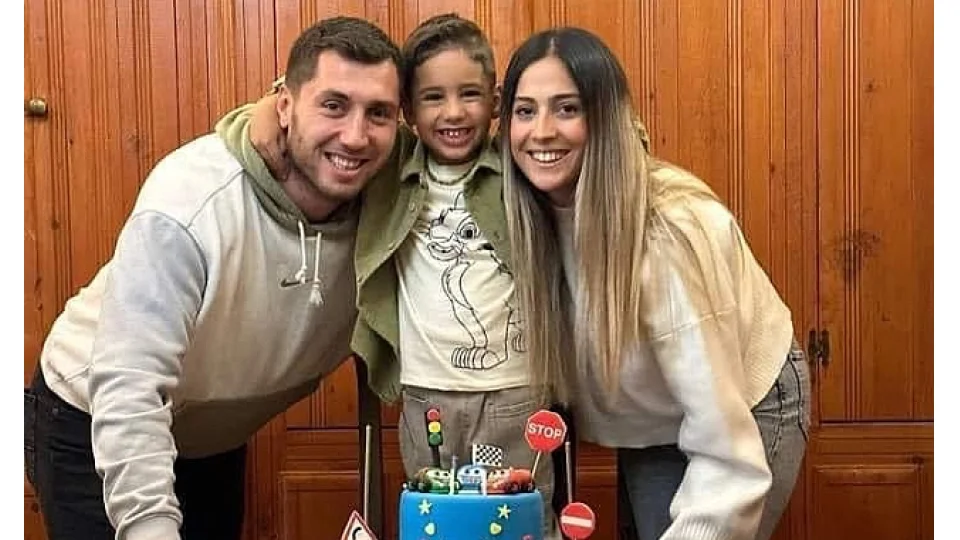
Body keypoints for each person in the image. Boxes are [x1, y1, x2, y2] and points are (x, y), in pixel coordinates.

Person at [23, 16, 405, 540]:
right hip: (97, 416)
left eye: (378, 113)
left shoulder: (395, 192)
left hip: (211, 437)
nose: (356, 136)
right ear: (285, 105)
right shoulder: (190, 204)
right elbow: (129, 384)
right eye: (333, 105)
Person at [238, 14, 562, 536]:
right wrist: (263, 107)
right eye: (433, 97)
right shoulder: (391, 165)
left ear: (497, 103)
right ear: (408, 110)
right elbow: (291, 112)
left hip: (514, 391)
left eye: (469, 95)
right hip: (422, 393)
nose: (452, 112)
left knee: (513, 518)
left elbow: (604, 142)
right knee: (433, 518)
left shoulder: (519, 164)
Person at [497, 27, 811, 540]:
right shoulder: (526, 212)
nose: (542, 131)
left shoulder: (668, 232)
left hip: (741, 407)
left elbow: (727, 454)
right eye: (525, 111)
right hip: (655, 414)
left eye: (567, 109)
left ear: (605, 119)